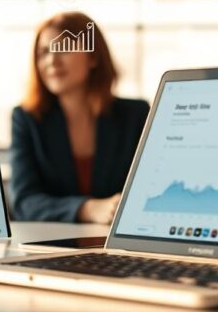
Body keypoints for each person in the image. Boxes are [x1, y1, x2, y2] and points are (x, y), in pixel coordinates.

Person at [10, 12, 149, 223]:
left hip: (119, 242)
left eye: (63, 49)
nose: (52, 60)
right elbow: (24, 202)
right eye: (43, 52)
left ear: (93, 57)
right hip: (54, 245)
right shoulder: (27, 118)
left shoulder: (135, 115)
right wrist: (87, 209)